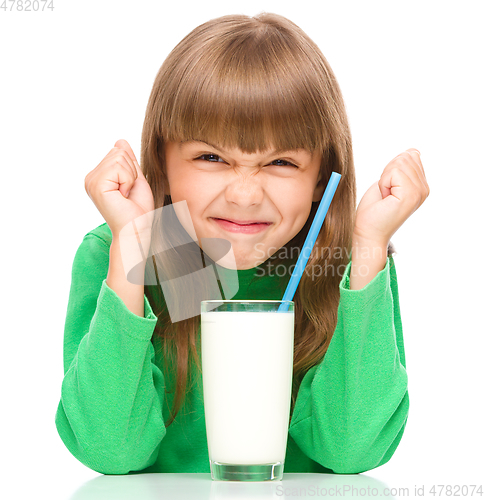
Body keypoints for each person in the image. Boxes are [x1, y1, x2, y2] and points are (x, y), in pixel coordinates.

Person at [55, 12, 430, 476]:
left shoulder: (346, 266)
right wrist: (131, 247)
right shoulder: (117, 254)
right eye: (211, 156)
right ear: (161, 161)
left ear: (320, 179)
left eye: (281, 162)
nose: (245, 195)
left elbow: (352, 451)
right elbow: (110, 450)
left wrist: (371, 244)